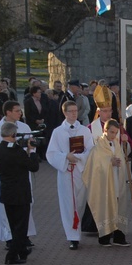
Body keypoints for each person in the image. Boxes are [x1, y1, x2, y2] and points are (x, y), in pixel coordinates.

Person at [0, 101, 38, 247]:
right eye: (16, 111)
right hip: (6, 173)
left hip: (22, 171)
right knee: (6, 205)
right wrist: (5, 160)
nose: (20, 113)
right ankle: (9, 235)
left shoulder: (24, 127)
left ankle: (24, 234)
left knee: (26, 203)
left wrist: (29, 152)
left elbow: (30, 145)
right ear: (8, 112)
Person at [46, 101, 95, 250]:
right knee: (68, 204)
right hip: (66, 172)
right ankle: (73, 237)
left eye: (75, 111)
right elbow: (51, 153)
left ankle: (77, 229)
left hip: (80, 171)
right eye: (70, 111)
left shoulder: (85, 131)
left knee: (79, 202)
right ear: (65, 113)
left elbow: (91, 150)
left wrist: (79, 158)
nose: (74, 113)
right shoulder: (58, 132)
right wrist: (66, 157)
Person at [0, 122, 40, 265]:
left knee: (13, 224)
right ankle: (11, 256)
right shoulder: (18, 152)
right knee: (21, 226)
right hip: (21, 193)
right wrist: (32, 151)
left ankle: (22, 251)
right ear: (13, 135)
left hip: (6, 193)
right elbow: (33, 167)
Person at [82, 119, 131, 247]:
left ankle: (119, 237)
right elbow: (95, 166)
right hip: (104, 184)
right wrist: (110, 163)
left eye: (116, 133)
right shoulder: (98, 147)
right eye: (111, 132)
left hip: (117, 180)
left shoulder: (117, 144)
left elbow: (123, 156)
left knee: (119, 206)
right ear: (105, 130)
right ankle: (104, 237)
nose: (113, 135)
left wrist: (119, 162)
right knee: (106, 206)